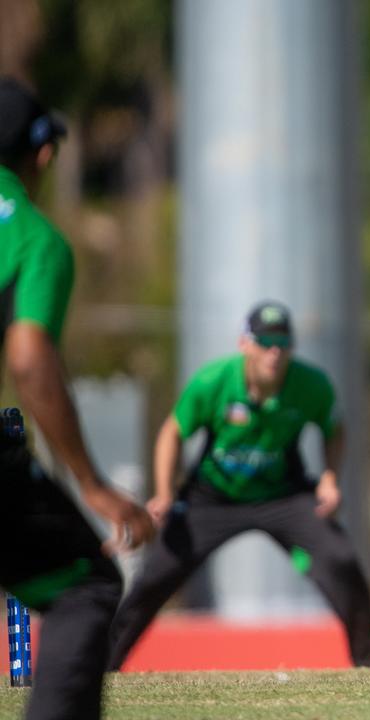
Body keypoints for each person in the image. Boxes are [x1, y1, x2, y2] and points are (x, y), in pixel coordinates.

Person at [107, 300, 370, 669]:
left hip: (283, 495)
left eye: (282, 342)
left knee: (340, 558)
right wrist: (164, 492)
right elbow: (173, 432)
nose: (274, 351)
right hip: (212, 498)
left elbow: (334, 429)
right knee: (156, 575)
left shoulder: (310, 384)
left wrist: (330, 479)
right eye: (265, 341)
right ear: (244, 343)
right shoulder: (214, 381)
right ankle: (101, 666)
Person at [0, 76, 156, 719]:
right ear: (40, 154)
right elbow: (30, 357)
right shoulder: (34, 238)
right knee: (85, 586)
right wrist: (90, 482)